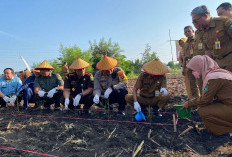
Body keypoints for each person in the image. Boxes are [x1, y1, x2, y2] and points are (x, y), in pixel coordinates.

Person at [181, 55, 232, 137]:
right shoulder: (219, 73)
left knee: (203, 111)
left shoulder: (214, 78)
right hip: (228, 105)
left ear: (200, 66)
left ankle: (226, 131)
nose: (194, 73)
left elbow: (205, 100)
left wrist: (189, 103)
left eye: (194, 70)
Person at [191, 5, 232, 71]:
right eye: (193, 22)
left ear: (205, 16)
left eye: (196, 21)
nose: (195, 24)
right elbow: (208, 50)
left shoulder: (223, 22)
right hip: (218, 65)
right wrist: (209, 67)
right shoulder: (202, 32)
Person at [183, 25, 199, 99]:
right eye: (186, 32)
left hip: (197, 65)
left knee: (200, 83)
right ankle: (196, 101)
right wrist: (183, 68)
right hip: (189, 66)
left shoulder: (197, 40)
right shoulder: (185, 44)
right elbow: (184, 57)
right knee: (192, 85)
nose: (187, 33)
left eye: (189, 31)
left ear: (193, 31)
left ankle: (203, 100)